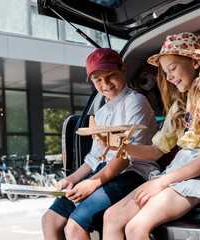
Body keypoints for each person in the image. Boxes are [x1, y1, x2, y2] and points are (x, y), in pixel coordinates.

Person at [102, 32, 200, 239]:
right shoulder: (180, 106)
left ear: (194, 62)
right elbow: (156, 151)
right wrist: (121, 146)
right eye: (165, 72)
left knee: (135, 227)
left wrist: (160, 182)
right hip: (175, 172)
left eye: (172, 68)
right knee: (111, 216)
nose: (168, 77)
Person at [41, 48, 159, 240]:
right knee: (49, 220)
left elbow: (126, 156)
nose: (105, 84)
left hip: (134, 173)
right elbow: (95, 158)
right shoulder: (102, 113)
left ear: (123, 70)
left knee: (75, 226)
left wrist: (92, 183)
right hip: (106, 172)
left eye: (110, 75)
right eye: (98, 80)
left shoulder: (136, 101)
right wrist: (72, 179)